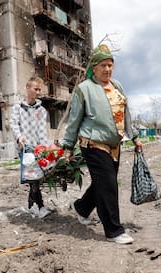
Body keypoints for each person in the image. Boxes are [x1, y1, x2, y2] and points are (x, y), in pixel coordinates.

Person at [61, 44, 142, 244]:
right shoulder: (84, 89)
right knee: (108, 185)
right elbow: (74, 120)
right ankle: (114, 230)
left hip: (114, 145)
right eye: (103, 65)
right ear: (94, 68)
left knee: (103, 183)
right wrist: (68, 147)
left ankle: (81, 208)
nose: (107, 69)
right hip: (93, 143)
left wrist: (135, 136)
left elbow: (126, 114)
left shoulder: (117, 86)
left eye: (110, 65)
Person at [10, 77, 51, 219]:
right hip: (25, 148)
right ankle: (40, 206)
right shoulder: (17, 108)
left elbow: (42, 131)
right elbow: (14, 124)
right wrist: (19, 136)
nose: (38, 92)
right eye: (36, 89)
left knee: (36, 177)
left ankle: (31, 205)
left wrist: (45, 149)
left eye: (40, 89)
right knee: (33, 177)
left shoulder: (42, 111)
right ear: (27, 88)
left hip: (38, 149)